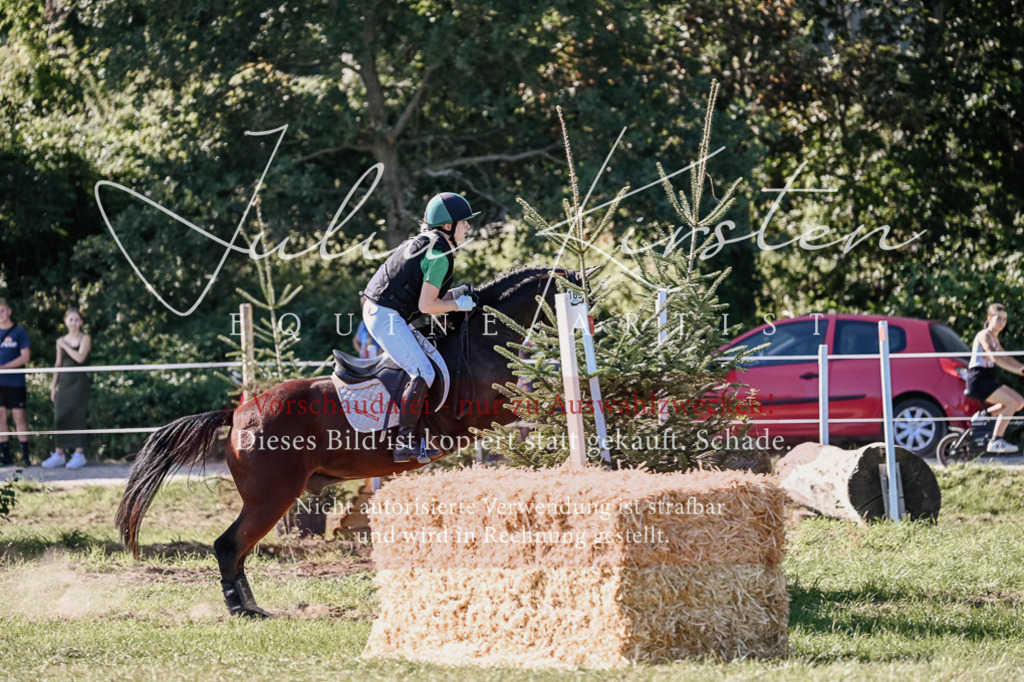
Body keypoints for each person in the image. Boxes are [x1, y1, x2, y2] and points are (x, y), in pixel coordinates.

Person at [360, 192, 478, 462]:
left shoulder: (429, 244)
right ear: (448, 226)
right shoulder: (439, 254)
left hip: (385, 310)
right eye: (464, 222)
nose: (468, 227)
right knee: (423, 371)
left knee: (429, 363)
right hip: (384, 314)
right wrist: (459, 305)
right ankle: (405, 441)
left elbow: (431, 299)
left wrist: (457, 295)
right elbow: (427, 306)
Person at [967, 303, 1024, 453]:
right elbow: (996, 358)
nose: (1002, 322)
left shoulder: (994, 338)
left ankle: (983, 416)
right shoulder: (984, 335)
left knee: (1018, 403)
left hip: (987, 379)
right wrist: (1018, 371)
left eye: (1004, 319)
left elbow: (1006, 357)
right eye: (998, 318)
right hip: (978, 379)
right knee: (1014, 402)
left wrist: (1020, 368)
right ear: (989, 318)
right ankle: (996, 440)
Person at [41, 309, 91, 469]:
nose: (74, 323)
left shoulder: (85, 338)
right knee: (59, 417)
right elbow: (58, 363)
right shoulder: (60, 340)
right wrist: (53, 386)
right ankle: (59, 454)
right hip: (64, 383)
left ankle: (79, 454)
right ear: (66, 321)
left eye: (77, 320)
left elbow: (80, 357)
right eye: (71, 319)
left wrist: (65, 346)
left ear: (81, 322)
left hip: (78, 383)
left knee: (78, 417)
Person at [0, 298, 31, 467]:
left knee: (19, 416)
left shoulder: (19, 332)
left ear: (9, 311)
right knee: (0, 416)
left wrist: (5, 367)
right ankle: (6, 456)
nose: (0, 314)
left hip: (15, 382)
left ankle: (25, 456)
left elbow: (25, 356)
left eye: (2, 310)